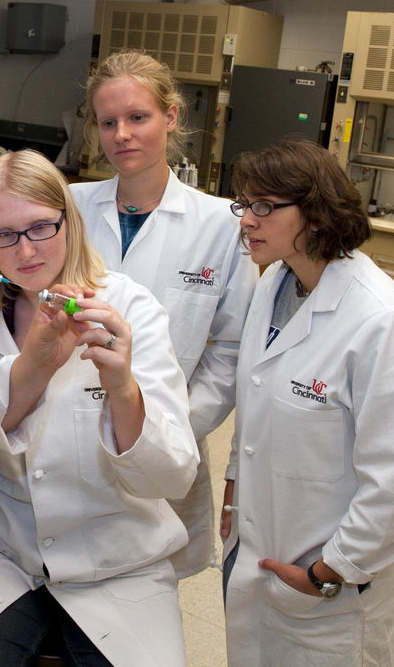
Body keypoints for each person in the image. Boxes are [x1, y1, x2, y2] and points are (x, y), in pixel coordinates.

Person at [0, 149, 198, 667]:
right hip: (0, 558)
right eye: (3, 235)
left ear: (68, 223)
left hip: (118, 564)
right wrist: (32, 368)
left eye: (40, 227)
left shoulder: (130, 310)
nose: (25, 250)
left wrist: (122, 387)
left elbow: (172, 476)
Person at [218, 139, 394, 667]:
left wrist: (329, 571)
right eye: (243, 204)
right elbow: (258, 404)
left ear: (316, 215)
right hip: (261, 542)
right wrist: (233, 483)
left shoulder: (380, 322)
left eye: (264, 206)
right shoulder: (275, 283)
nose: (246, 220)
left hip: (329, 585)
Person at [71, 50, 257, 579]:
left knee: (150, 582)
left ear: (171, 116)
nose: (122, 135)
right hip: (68, 433)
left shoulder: (221, 224)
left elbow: (230, 348)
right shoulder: (69, 208)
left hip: (170, 436)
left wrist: (172, 426)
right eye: (108, 122)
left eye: (138, 117)